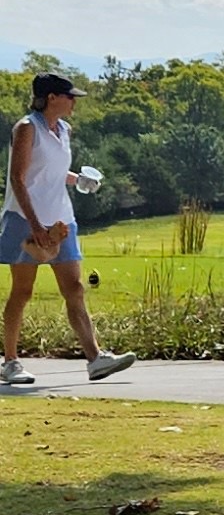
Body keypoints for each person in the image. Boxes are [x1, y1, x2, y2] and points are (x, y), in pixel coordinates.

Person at [2, 71, 135, 384]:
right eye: (69, 96)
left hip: (62, 219)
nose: (74, 101)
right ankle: (10, 362)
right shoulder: (26, 128)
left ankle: (95, 359)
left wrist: (78, 180)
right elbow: (18, 178)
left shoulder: (64, 129)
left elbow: (51, 171)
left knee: (74, 288)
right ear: (51, 98)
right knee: (23, 291)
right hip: (26, 219)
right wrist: (35, 225)